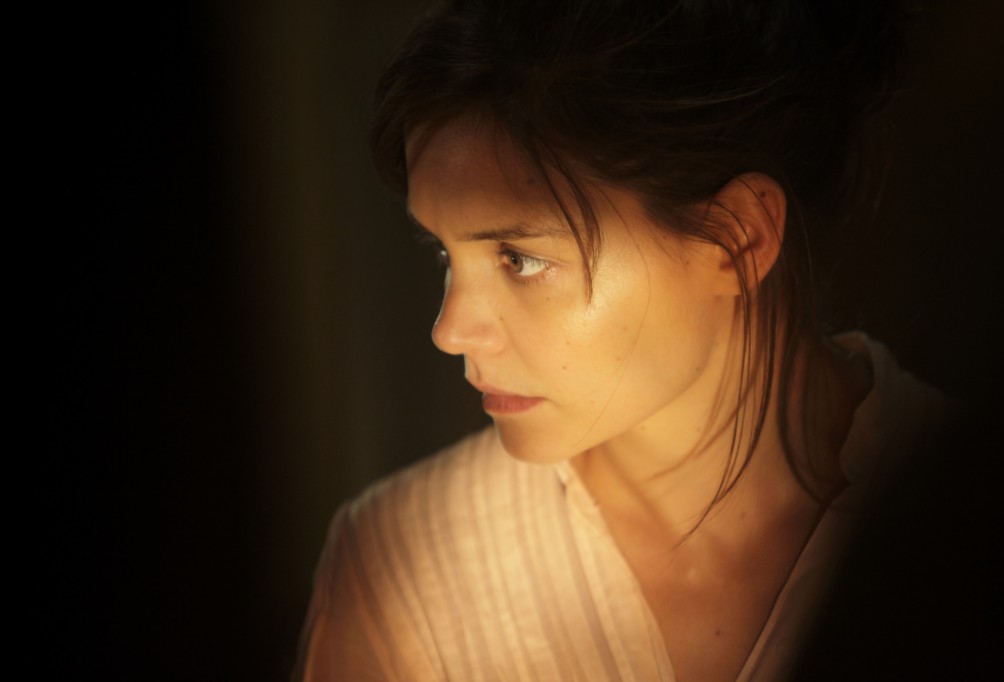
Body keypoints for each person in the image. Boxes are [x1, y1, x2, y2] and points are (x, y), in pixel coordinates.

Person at [295, 1, 951, 679]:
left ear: (737, 239)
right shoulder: (399, 575)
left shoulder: (977, 530)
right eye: (444, 252)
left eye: (520, 258)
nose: (449, 330)